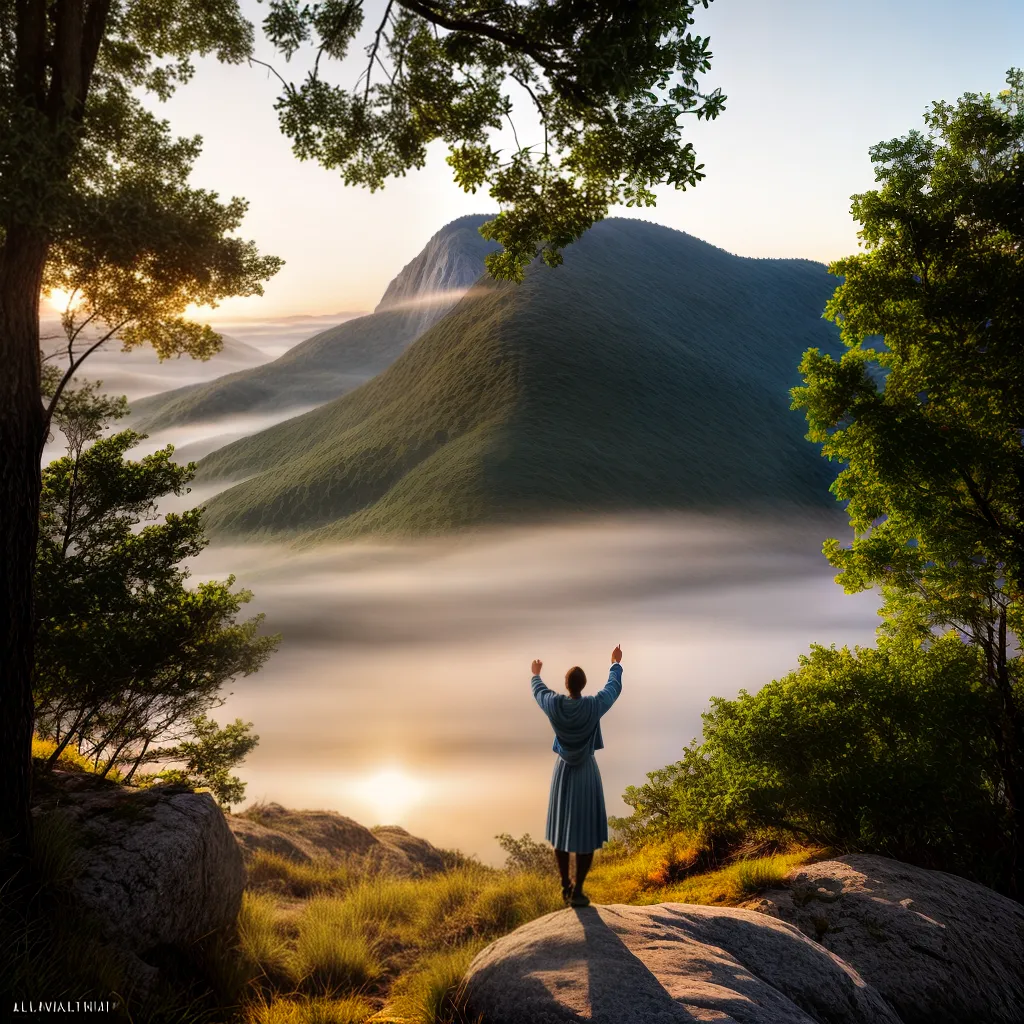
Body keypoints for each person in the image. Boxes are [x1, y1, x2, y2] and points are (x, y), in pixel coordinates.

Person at [530, 645, 623, 907]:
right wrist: (615, 663)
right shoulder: (593, 706)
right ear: (583, 686)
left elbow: (539, 692)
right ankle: (578, 890)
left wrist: (536, 674)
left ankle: (565, 885)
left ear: (566, 685)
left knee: (561, 830)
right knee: (587, 834)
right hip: (586, 772)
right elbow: (613, 689)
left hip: (564, 771)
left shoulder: (556, 705)